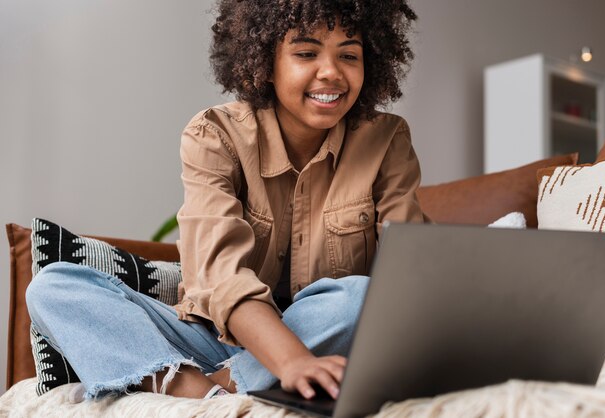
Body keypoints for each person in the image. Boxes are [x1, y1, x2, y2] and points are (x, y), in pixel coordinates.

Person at [25, 0, 423, 402]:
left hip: (321, 330)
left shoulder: (386, 139)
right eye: (306, 53)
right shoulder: (214, 135)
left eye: (349, 55)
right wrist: (289, 361)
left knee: (360, 299)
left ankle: (223, 387)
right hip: (210, 340)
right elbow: (220, 277)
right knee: (54, 287)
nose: (332, 72)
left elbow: (409, 276)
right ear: (265, 62)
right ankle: (186, 384)